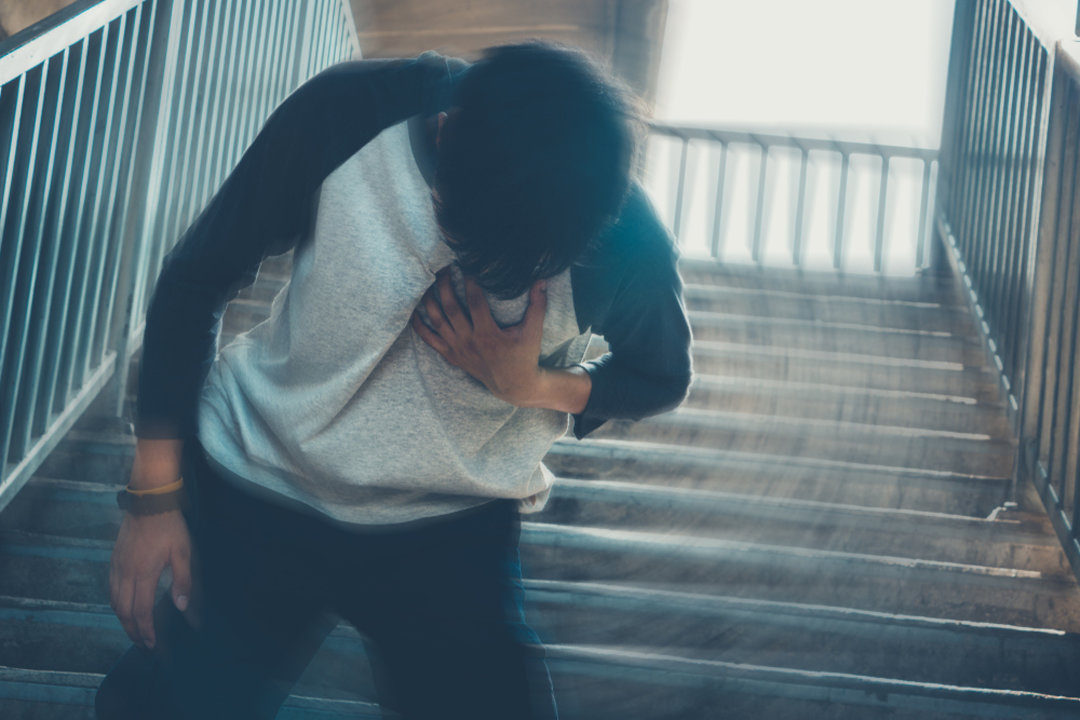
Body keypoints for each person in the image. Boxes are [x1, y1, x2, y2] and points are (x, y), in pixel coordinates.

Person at [95, 41, 693, 719]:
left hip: (451, 522)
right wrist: (153, 497)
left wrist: (530, 383)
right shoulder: (351, 111)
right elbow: (195, 279)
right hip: (263, 475)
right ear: (449, 128)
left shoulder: (623, 235)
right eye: (477, 249)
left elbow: (661, 376)